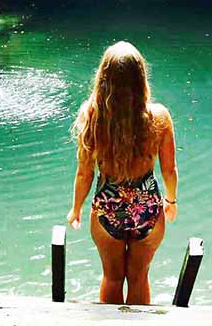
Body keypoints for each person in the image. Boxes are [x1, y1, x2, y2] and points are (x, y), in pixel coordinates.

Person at [67, 41, 178, 305]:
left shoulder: (93, 117)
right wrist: (171, 201)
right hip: (148, 211)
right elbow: (169, 171)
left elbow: (85, 173)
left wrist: (76, 208)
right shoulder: (159, 117)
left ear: (103, 79)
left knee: (113, 277)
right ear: (141, 79)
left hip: (107, 211)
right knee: (139, 276)